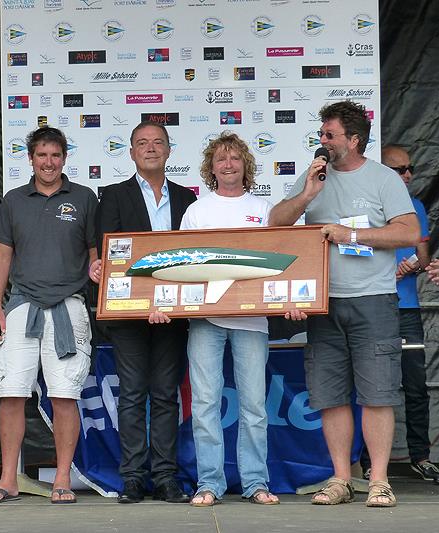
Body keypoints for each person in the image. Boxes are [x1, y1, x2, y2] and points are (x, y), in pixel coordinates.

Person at [270, 101, 419, 507]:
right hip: (323, 303)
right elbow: (276, 223)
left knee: (377, 393)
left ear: (354, 140)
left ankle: (379, 481)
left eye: (329, 135)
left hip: (372, 300)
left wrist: (353, 237)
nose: (322, 142)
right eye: (321, 135)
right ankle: (340, 479)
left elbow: (408, 232)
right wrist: (307, 195)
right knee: (330, 394)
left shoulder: (384, 178)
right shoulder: (314, 175)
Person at [0, 127, 98, 504]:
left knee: (65, 396)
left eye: (56, 155)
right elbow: (2, 254)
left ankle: (62, 478)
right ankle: (8, 478)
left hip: (69, 306)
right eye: (42, 155)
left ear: (65, 158)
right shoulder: (14, 200)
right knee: (11, 394)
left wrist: (99, 268)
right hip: (22, 306)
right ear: (30, 159)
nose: (49, 162)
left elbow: (97, 252)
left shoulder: (83, 197)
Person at [92, 121, 196, 504]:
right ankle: (133, 477)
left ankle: (166, 477)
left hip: (173, 316)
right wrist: (98, 267)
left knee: (167, 395)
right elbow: (111, 255)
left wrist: (166, 302)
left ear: (169, 150)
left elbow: (192, 258)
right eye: (142, 143)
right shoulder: (114, 196)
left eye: (157, 143)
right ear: (132, 152)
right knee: (133, 395)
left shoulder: (188, 199)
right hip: (128, 314)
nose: (150, 148)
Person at [178, 132, 279, 506]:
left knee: (254, 404)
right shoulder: (197, 211)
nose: (228, 164)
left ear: (245, 165)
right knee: (204, 403)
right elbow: (182, 266)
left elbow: (278, 264)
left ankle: (256, 483)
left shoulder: (264, 208)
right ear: (211, 167)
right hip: (205, 319)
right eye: (221, 159)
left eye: (235, 158)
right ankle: (209, 483)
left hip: (253, 320)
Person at [357, 146, 438, 482]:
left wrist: (411, 265)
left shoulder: (416, 206)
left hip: (405, 307)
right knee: (368, 385)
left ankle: (420, 455)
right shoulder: (367, 204)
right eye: (399, 169)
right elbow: (353, 248)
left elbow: (423, 255)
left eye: (410, 169)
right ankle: (364, 462)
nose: (407, 175)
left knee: (415, 384)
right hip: (371, 303)